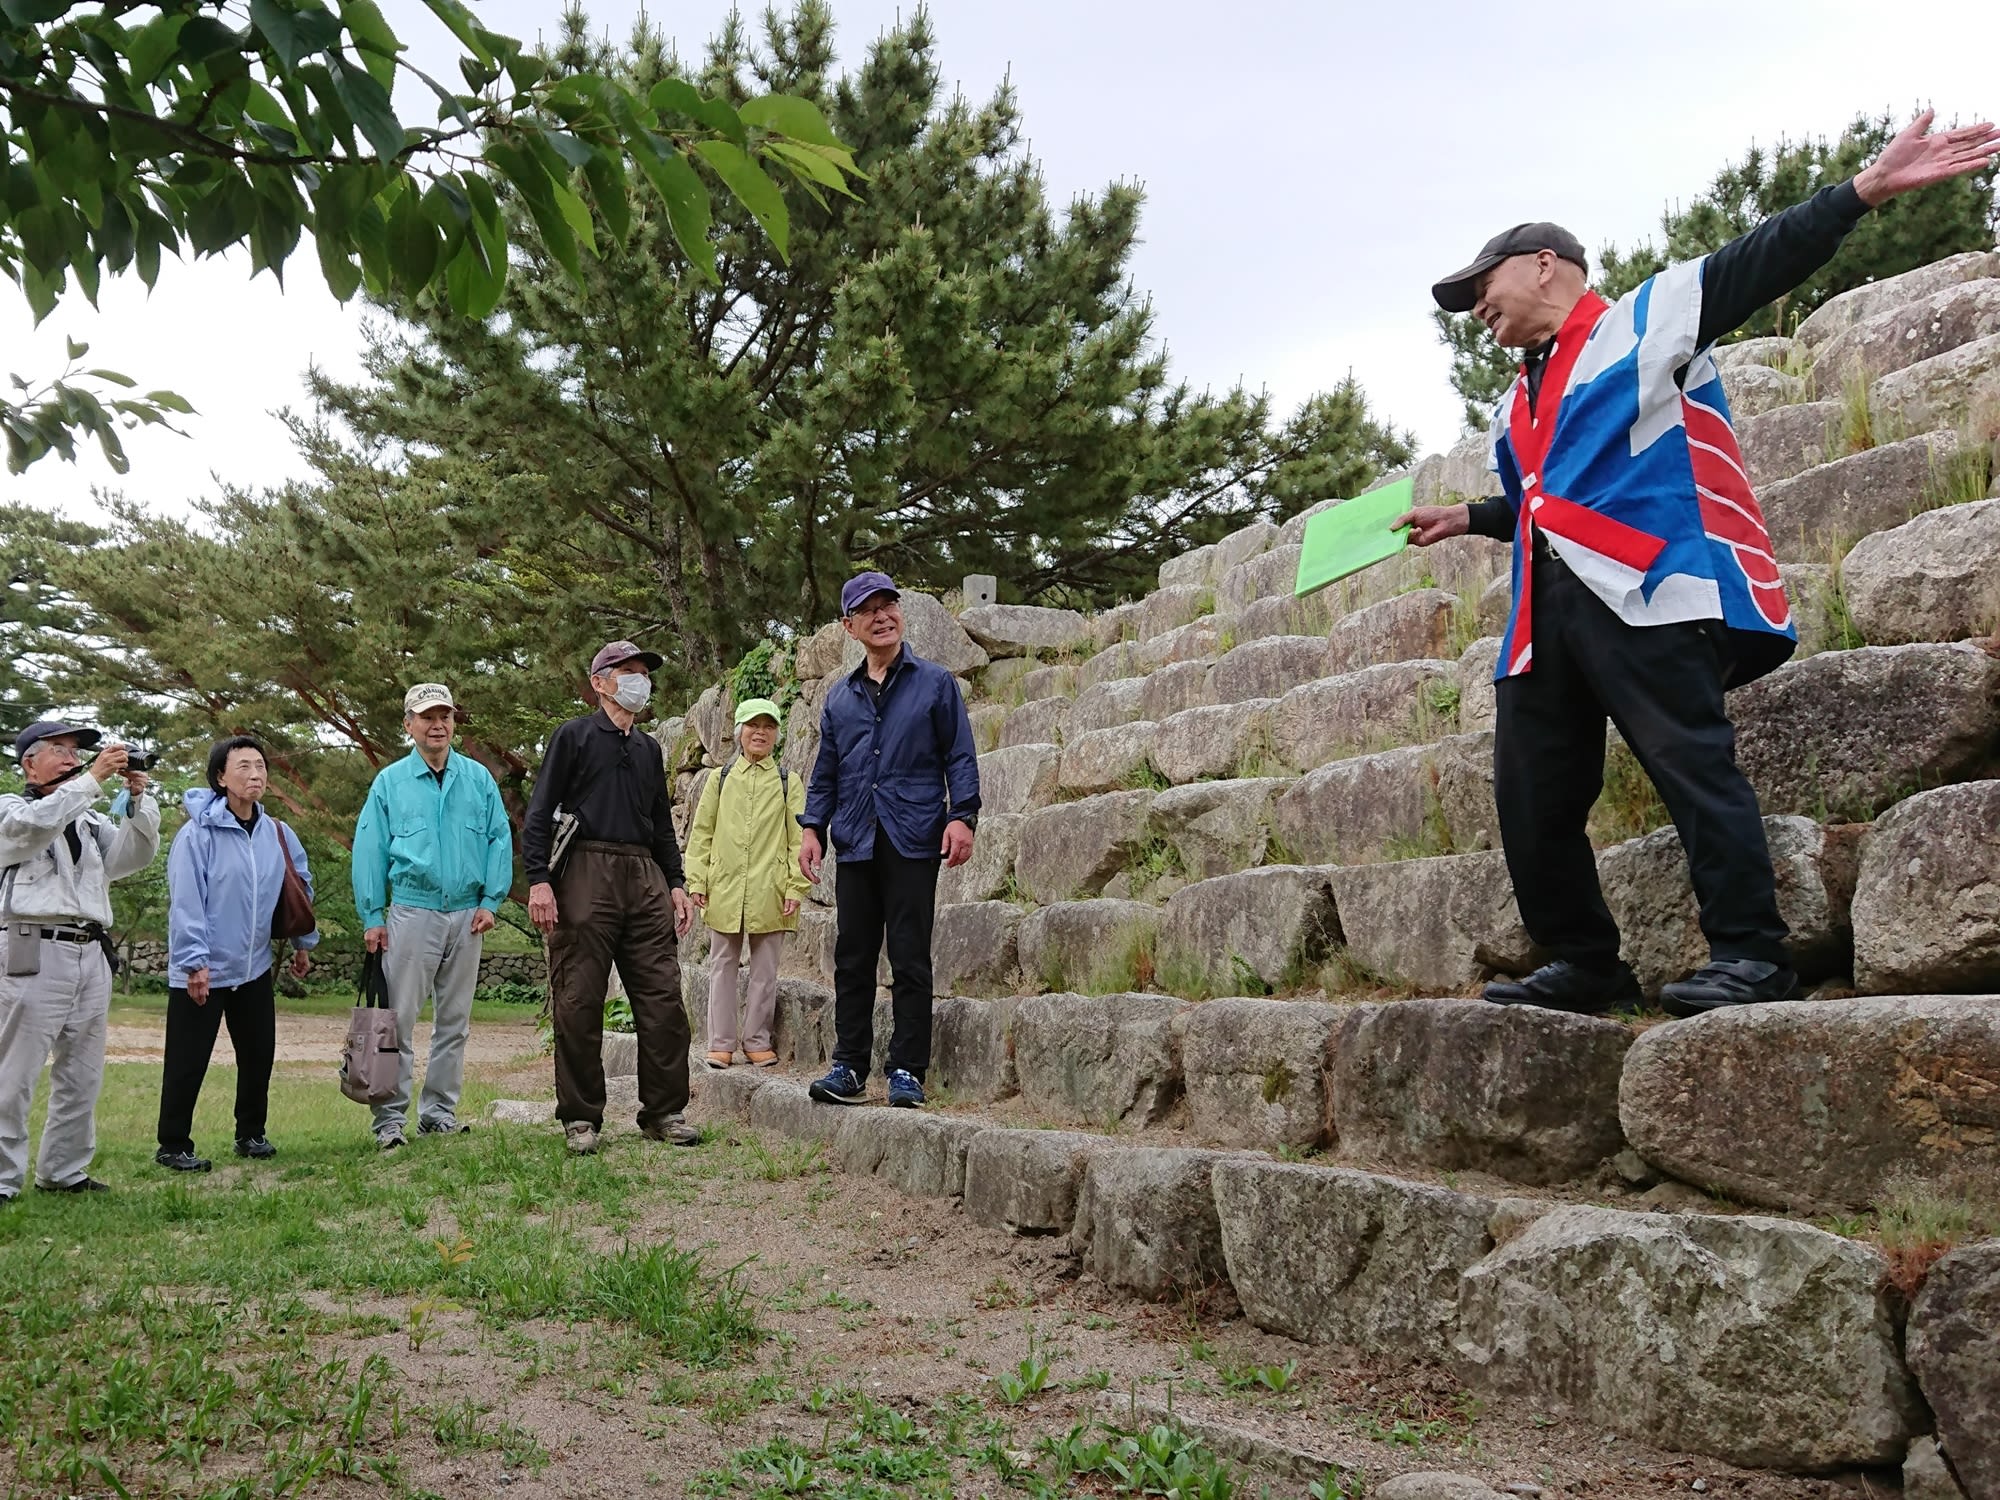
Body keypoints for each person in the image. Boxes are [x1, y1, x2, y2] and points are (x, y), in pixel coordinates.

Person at [1400, 110, 2000, 1019]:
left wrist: (1862, 191)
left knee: (1693, 766)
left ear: (1543, 264)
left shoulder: (1645, 320)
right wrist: (1473, 514)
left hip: (1645, 590)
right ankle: (1583, 960)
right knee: (1533, 796)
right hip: (1542, 611)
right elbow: (1544, 498)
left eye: (1480, 286)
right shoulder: (1513, 402)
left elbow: (1759, 260)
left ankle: (1753, 955)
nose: (1473, 307)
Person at [802, 572, 980, 1108]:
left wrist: (963, 816)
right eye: (868, 610)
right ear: (849, 626)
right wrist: (812, 828)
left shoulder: (935, 683)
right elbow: (825, 771)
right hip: (855, 837)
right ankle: (849, 1066)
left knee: (909, 956)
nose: (882, 616)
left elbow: (959, 755)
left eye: (889, 606)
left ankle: (906, 1068)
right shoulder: (839, 698)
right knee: (852, 956)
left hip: (913, 834)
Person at [522, 641, 698, 1153]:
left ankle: (664, 1110)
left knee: (663, 996)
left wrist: (677, 883)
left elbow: (662, 824)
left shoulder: (648, 749)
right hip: (584, 869)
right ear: (600, 682)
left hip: (643, 874)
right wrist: (539, 879)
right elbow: (540, 812)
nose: (640, 680)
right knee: (578, 998)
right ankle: (581, 1118)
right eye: (629, 672)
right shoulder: (572, 737)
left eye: (645, 672)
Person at [351, 683, 515, 1152]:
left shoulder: (479, 780)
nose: (437, 724)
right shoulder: (390, 783)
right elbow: (370, 848)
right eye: (426, 717)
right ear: (409, 725)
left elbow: (497, 840)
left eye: (444, 715)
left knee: (455, 1021)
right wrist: (371, 913)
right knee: (397, 1021)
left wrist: (491, 901)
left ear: (454, 723)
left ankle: (439, 1112)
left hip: (468, 914)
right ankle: (389, 1120)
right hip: (411, 909)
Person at [0, 722, 160, 1201]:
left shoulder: (88, 821)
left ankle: (64, 1170)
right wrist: (92, 778)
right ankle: (3, 1179)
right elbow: (29, 833)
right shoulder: (12, 808)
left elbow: (131, 858)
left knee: (83, 1070)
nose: (71, 759)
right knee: (15, 1068)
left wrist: (136, 803)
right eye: (60, 751)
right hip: (33, 942)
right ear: (29, 762)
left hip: (90, 948)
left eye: (76, 753)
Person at [158, 736, 316, 1172]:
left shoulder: (277, 832)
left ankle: (251, 1134)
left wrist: (303, 945)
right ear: (221, 777)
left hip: (254, 968)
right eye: (243, 766)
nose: (255, 774)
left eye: (261, 765)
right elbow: (187, 901)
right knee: (188, 1060)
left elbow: (298, 888)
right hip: (204, 968)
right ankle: (172, 1144)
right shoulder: (196, 835)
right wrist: (194, 963)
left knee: (257, 1054)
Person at [685, 697, 809, 1069]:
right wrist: (697, 880)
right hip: (724, 887)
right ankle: (720, 1042)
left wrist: (795, 886)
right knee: (722, 963)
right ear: (739, 732)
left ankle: (757, 1040)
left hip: (770, 888)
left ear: (776, 734)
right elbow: (701, 832)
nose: (760, 732)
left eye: (768, 726)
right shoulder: (719, 780)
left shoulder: (789, 782)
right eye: (753, 726)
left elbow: (799, 839)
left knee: (765, 969)